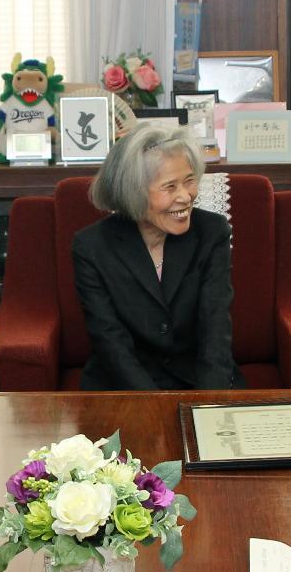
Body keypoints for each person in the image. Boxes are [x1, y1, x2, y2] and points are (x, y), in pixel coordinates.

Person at [71, 121, 244, 390]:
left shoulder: (212, 232)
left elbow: (215, 325)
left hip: (197, 378)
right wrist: (154, 405)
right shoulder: (92, 246)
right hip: (123, 386)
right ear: (134, 192)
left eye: (189, 181)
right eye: (170, 186)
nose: (186, 197)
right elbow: (109, 339)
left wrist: (212, 402)